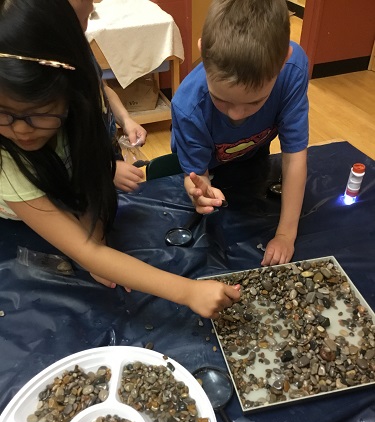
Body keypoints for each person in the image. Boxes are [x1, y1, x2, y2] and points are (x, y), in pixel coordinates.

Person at [0, 0, 241, 319]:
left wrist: (96, 241)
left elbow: (87, 179)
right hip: (21, 214)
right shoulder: (8, 158)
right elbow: (86, 249)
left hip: (70, 183)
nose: (20, 130)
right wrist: (188, 291)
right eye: (4, 113)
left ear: (71, 94)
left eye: (39, 113)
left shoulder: (82, 101)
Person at [171, 0, 309, 267]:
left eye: (255, 102)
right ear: (203, 53)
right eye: (222, 101)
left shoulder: (293, 70)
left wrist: (285, 234)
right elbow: (196, 176)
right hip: (211, 166)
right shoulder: (188, 107)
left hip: (253, 154)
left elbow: (294, 157)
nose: (236, 115)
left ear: (283, 61)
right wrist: (197, 191)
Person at [68, 0, 147, 193]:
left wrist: (126, 120)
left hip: (107, 156)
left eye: (89, 17)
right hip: (85, 175)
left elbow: (102, 88)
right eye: (82, 19)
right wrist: (104, 172)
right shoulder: (54, 71)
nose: (86, 26)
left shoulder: (79, 44)